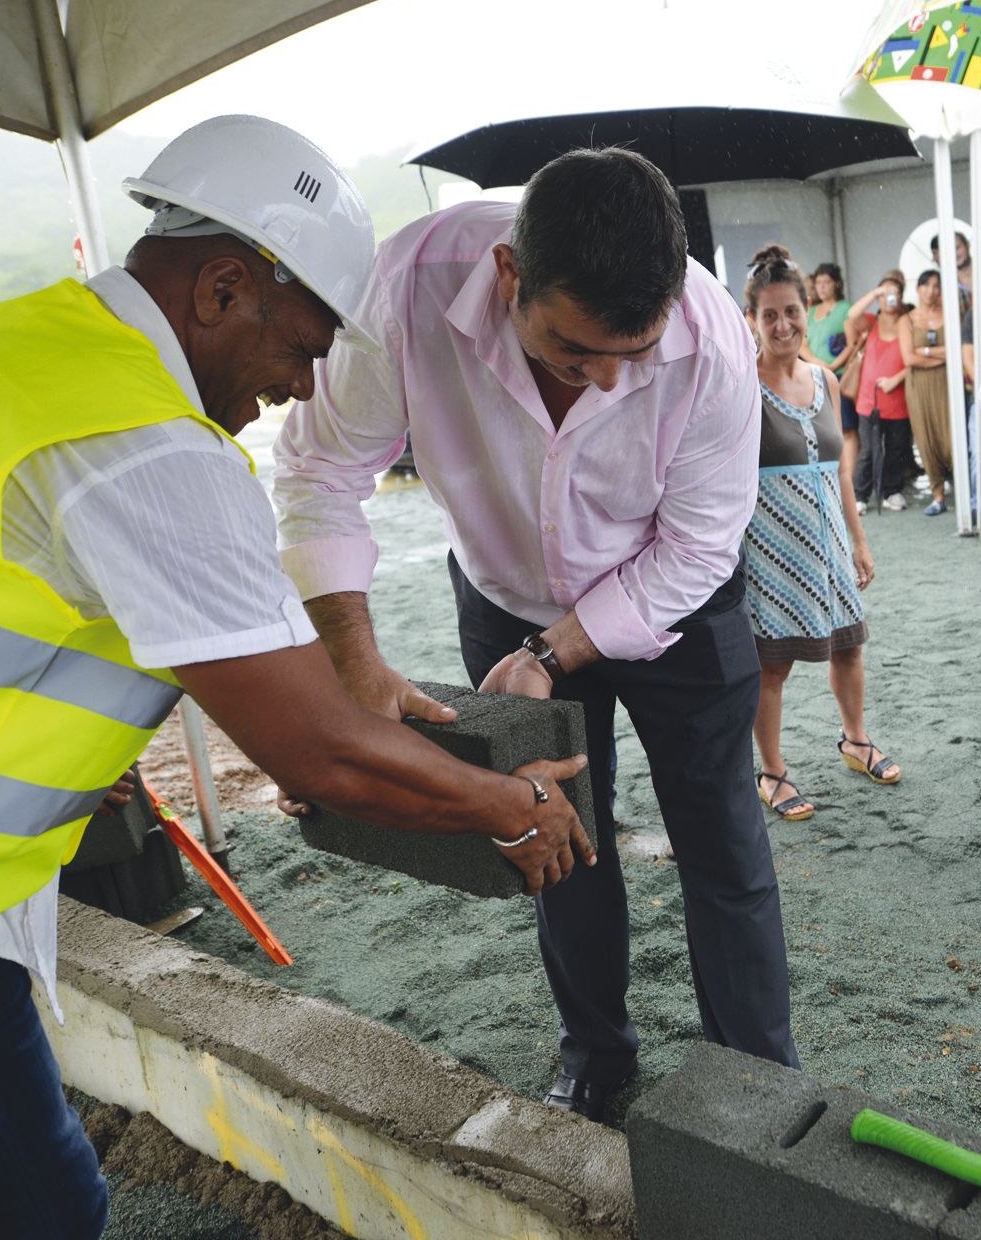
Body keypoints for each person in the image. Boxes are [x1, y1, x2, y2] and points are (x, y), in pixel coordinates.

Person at [0, 116, 591, 1240]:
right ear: (220, 290)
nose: (301, 387)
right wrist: (515, 809)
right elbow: (320, 756)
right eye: (303, 348)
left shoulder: (3, 350)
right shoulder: (143, 440)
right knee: (33, 1222)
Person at [273, 146, 799, 1125]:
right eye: (572, 353)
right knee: (551, 839)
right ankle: (596, 1057)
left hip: (674, 607)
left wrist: (554, 653)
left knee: (723, 840)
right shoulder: (404, 291)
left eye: (628, 359)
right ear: (510, 276)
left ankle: (756, 1079)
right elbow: (316, 477)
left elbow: (694, 548)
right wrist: (353, 662)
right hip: (502, 592)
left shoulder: (712, 337)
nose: (603, 381)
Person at [741, 246, 899, 821]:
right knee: (772, 664)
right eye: (769, 315)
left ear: (809, 311)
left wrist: (858, 540)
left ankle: (856, 741)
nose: (782, 325)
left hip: (830, 535)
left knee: (850, 644)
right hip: (769, 545)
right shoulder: (740, 385)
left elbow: (839, 474)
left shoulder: (827, 380)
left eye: (792, 312)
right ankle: (772, 773)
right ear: (751, 319)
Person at [902, 269, 972, 518]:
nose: (931, 291)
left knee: (953, 437)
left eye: (936, 286)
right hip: (919, 387)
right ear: (918, 288)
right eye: (926, 285)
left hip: (949, 383)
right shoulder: (907, 320)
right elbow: (909, 358)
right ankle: (938, 494)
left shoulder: (952, 315)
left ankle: (963, 490)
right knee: (926, 438)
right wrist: (943, 356)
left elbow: (958, 350)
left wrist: (928, 352)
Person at [848, 271, 912, 510]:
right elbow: (851, 315)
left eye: (894, 293)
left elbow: (912, 360)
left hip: (898, 399)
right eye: (884, 294)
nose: (889, 298)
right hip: (869, 399)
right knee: (869, 450)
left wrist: (896, 379)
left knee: (896, 449)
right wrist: (876, 293)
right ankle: (860, 495)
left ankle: (891, 491)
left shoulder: (908, 322)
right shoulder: (871, 321)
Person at [805, 263, 858, 482]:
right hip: (814, 375)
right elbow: (801, 344)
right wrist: (818, 363)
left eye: (826, 282)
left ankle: (849, 479)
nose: (822, 287)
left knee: (846, 428)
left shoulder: (845, 308)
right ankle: (829, 478)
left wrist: (833, 365)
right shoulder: (811, 311)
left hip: (839, 375)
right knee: (820, 429)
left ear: (836, 284)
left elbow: (853, 343)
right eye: (818, 283)